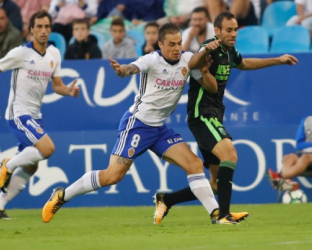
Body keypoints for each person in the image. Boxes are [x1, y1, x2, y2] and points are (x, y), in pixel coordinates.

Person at [42, 23, 225, 225]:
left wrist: (206, 72)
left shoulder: (188, 60)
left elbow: (212, 89)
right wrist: (122, 71)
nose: (176, 48)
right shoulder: (152, 60)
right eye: (171, 44)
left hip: (160, 130)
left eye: (179, 43)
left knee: (195, 164)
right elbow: (132, 68)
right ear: (160, 44)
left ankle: (216, 215)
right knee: (112, 176)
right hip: (137, 124)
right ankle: (62, 195)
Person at [154, 11, 298, 224]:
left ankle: (167, 199)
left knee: (214, 182)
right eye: (229, 30)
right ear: (217, 31)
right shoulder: (209, 46)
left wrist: (278, 60)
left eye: (235, 30)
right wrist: (203, 54)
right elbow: (192, 63)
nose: (233, 34)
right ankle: (223, 216)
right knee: (230, 154)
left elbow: (245, 64)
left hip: (214, 115)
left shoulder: (229, 50)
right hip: (202, 115)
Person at [0, 10, 80, 219]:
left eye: (47, 27)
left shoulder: (54, 53)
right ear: (31, 30)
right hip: (18, 113)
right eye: (39, 27)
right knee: (47, 149)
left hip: (35, 115)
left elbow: (58, 86)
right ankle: (7, 165)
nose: (44, 31)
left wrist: (69, 91)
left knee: (32, 165)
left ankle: (0, 204)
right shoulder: (21, 53)